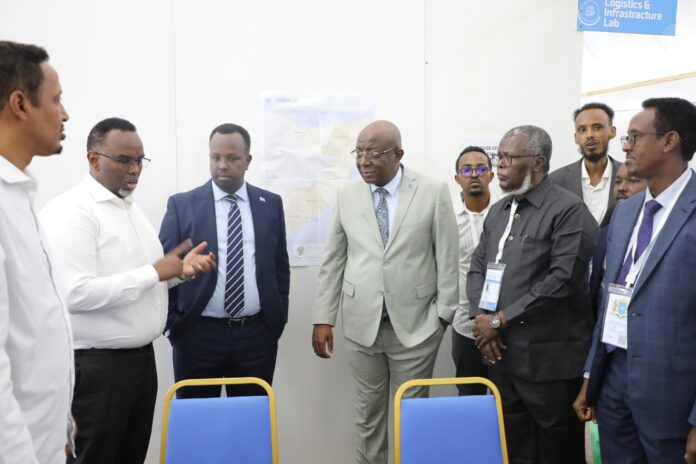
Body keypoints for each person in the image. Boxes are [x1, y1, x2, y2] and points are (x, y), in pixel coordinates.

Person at [40, 117, 215, 464]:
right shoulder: (72, 211)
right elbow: (75, 294)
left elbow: (141, 280)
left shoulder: (129, 209)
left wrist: (177, 273)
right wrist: (154, 272)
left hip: (139, 363)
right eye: (124, 160)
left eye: (139, 160)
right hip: (98, 368)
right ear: (93, 159)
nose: (134, 170)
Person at [312, 120, 458, 464]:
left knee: (412, 417)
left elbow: (447, 257)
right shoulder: (346, 195)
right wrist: (323, 318)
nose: (363, 161)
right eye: (359, 152)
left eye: (373, 153)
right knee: (368, 417)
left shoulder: (432, 191)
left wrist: (443, 316)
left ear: (398, 154)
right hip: (361, 326)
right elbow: (333, 261)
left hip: (417, 327)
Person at [574, 97, 696, 464]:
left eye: (635, 137)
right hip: (614, 384)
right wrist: (591, 376)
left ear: (669, 141)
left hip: (673, 396)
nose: (625, 147)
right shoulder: (625, 213)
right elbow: (611, 300)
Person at [467, 125, 598, 464]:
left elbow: (562, 280)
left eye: (508, 158)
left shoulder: (568, 210)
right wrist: (481, 321)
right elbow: (477, 267)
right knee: (514, 449)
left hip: (548, 363)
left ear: (538, 162)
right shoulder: (499, 211)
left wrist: (499, 320)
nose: (500, 166)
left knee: (558, 452)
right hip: (501, 355)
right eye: (499, 157)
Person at [159, 123, 290, 398]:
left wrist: (275, 321)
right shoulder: (182, 205)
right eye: (215, 157)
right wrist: (174, 324)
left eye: (232, 158)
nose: (222, 165)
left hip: (256, 336)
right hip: (197, 335)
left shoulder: (270, 204)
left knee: (251, 417)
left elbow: (279, 267)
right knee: (197, 417)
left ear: (248, 160)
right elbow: (165, 268)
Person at [0, 40, 74, 464]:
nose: (64, 114)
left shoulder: (19, 194)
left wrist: (59, 419)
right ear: (20, 104)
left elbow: (34, 331)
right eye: (56, 99)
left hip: (45, 440)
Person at [451, 146, 494, 396]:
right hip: (464, 324)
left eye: (481, 169)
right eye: (467, 170)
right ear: (457, 178)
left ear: (492, 175)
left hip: (503, 323)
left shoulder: (508, 213)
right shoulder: (447, 217)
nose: (474, 174)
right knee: (469, 395)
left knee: (507, 398)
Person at [588, 163, 647, 319]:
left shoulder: (656, 232)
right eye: (618, 182)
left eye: (633, 181)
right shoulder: (605, 232)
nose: (622, 188)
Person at [550, 102, 623, 227]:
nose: (589, 135)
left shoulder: (633, 177)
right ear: (576, 137)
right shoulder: (555, 181)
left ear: (612, 131)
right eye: (582, 130)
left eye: (597, 127)